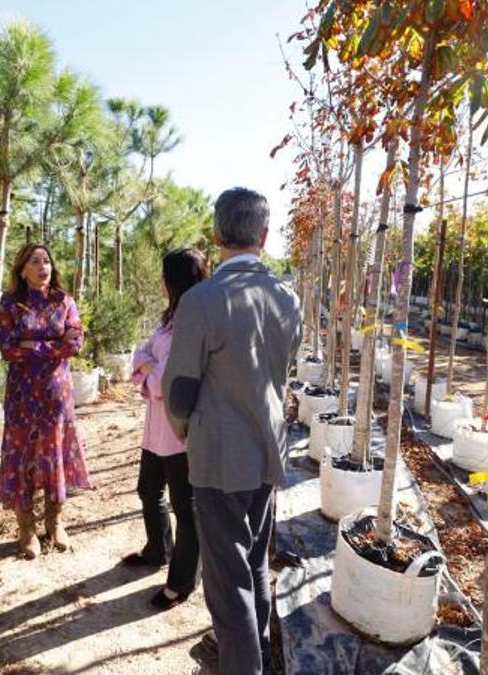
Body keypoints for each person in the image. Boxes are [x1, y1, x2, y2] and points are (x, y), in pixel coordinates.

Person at [162, 188, 302, 675]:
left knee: (227, 585)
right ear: (264, 236)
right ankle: (257, 654)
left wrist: (187, 433)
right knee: (254, 563)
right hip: (268, 449)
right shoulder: (287, 296)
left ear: (217, 234)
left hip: (220, 459)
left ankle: (244, 665)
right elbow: (281, 371)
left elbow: (178, 390)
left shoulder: (202, 300)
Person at [124, 247, 209, 610]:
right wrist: (148, 365)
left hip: (179, 433)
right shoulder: (170, 319)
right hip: (156, 430)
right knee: (148, 490)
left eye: (163, 276)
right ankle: (158, 548)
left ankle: (181, 582)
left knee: (184, 507)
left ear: (172, 281)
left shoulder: (192, 324)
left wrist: (149, 368)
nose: (160, 282)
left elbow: (162, 383)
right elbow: (141, 355)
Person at [0, 243, 92, 559]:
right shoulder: (10, 303)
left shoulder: (63, 301)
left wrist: (33, 346)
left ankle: (55, 522)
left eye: (47, 260)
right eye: (35, 261)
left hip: (56, 394)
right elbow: (8, 349)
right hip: (22, 397)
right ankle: (26, 528)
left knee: (55, 455)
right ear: (22, 270)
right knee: (24, 457)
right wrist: (52, 344)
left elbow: (75, 342)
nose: (43, 266)